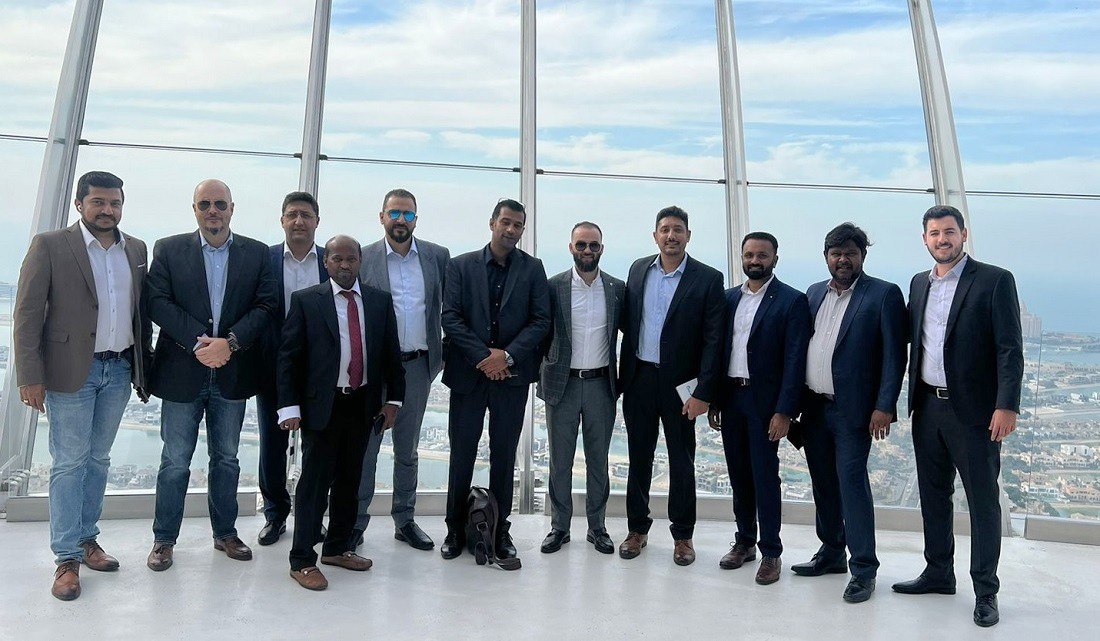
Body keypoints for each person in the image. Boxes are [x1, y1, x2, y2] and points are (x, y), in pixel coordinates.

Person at [13, 171, 153, 601]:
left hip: (118, 371)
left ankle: (88, 539)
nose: (107, 210)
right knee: (69, 462)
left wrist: (141, 368)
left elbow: (139, 313)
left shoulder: (136, 249)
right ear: (80, 205)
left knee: (99, 460)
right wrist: (30, 376)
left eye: (114, 203)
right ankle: (66, 559)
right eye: (98, 202)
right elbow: (27, 313)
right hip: (71, 371)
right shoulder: (51, 245)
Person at [892, 205, 1023, 628]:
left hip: (976, 413)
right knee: (933, 495)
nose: (942, 239)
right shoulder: (917, 283)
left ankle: (986, 590)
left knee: (982, 501)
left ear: (964, 235)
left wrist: (1006, 406)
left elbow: (1009, 348)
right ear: (924, 239)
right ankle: (938, 573)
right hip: (927, 405)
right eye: (934, 233)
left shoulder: (994, 280)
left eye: (949, 232)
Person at [144, 179, 278, 571]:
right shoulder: (168, 249)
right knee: (175, 460)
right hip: (182, 372)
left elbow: (266, 306)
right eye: (205, 204)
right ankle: (164, 540)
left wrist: (230, 343)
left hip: (233, 373)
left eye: (220, 204)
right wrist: (200, 343)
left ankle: (226, 533)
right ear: (195, 209)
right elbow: (156, 301)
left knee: (228, 459)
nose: (213, 211)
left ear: (232, 208)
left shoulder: (256, 253)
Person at [276, 235, 405, 591]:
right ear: (326, 262)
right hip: (322, 406)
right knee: (314, 485)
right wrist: (289, 407)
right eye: (337, 258)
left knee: (350, 480)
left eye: (351, 259)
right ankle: (302, 559)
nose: (344, 265)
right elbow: (289, 359)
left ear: (360, 262)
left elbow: (391, 356)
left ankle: (337, 548)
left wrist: (394, 400)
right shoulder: (306, 301)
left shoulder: (379, 302)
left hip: (362, 404)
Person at [792, 223, 906, 603]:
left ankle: (864, 570)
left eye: (851, 253)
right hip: (813, 407)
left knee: (851, 486)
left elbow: (894, 355)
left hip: (853, 412)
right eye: (836, 253)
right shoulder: (812, 294)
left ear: (862, 257)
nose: (843, 260)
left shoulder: (883, 295)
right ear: (826, 256)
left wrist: (885, 406)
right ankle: (830, 553)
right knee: (823, 484)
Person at [439, 199, 550, 563]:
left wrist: (508, 356)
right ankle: (455, 530)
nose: (511, 230)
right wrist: (486, 358)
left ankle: (501, 533)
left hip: (512, 378)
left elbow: (540, 321)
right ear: (492, 223)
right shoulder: (460, 265)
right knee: (462, 456)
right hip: (469, 376)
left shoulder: (533, 269)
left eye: (518, 225)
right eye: (506, 222)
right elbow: (451, 317)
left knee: (504, 458)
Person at [618, 206, 725, 566]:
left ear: (688, 236)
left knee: (682, 461)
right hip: (640, 379)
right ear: (655, 235)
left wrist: (703, 393)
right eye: (665, 229)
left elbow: (714, 341)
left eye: (678, 230)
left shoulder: (708, 278)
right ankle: (637, 530)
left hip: (683, 387)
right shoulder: (638, 269)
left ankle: (683, 536)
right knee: (639, 459)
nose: (671, 236)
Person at [709, 231, 810, 585]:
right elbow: (720, 351)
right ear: (741, 257)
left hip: (766, 405)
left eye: (762, 255)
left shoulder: (792, 301)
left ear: (775, 259)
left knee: (765, 478)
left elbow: (796, 361)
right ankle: (744, 543)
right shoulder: (727, 299)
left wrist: (785, 411)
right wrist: (716, 400)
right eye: (749, 254)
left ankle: (771, 552)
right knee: (738, 475)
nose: (755, 260)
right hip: (732, 398)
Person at [354, 188, 450, 551]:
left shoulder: (437, 257)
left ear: (416, 219)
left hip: (417, 368)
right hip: (373, 371)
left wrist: (433, 363)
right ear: (382, 217)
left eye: (408, 215)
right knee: (367, 449)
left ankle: (404, 520)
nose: (401, 220)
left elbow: (446, 310)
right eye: (394, 213)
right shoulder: (363, 257)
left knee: (408, 450)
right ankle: (356, 522)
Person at [536, 221, 625, 555]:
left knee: (598, 461)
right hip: (563, 385)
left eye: (594, 245)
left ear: (602, 249)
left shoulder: (617, 289)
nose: (587, 251)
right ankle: (559, 527)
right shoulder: (552, 286)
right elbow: (539, 333)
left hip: (602, 385)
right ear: (571, 247)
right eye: (581, 245)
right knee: (560, 462)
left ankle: (597, 527)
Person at [256, 191, 327, 546]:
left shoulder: (331, 261)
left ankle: (313, 515)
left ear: (317, 221)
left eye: (306, 215)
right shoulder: (263, 260)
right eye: (292, 214)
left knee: (318, 446)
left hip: (320, 373)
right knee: (272, 446)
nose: (299, 221)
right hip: (272, 368)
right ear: (282, 219)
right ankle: (274, 515)